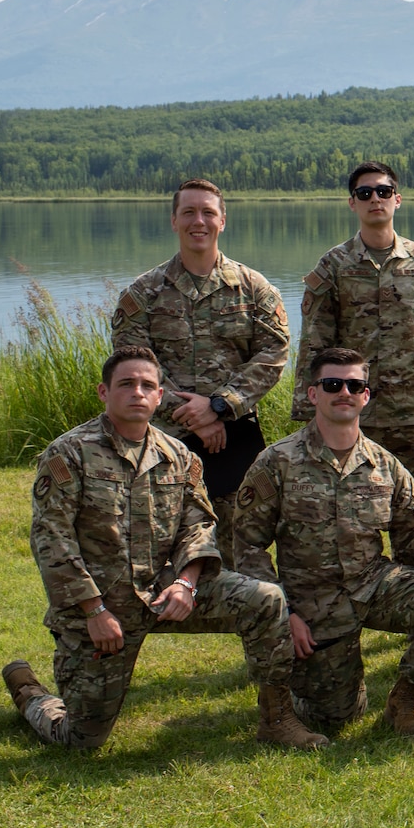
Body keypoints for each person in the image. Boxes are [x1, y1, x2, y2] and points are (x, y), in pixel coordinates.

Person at [0, 346, 323, 750]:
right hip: (103, 610)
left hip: (165, 595)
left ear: (158, 397)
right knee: (81, 740)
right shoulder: (69, 453)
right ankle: (30, 692)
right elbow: (52, 540)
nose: (137, 392)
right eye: (126, 384)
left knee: (265, 599)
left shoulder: (179, 455)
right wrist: (94, 611)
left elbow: (199, 525)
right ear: (104, 392)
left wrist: (187, 583)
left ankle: (277, 720)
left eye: (147, 385)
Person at [234, 347, 414, 740]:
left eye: (354, 385)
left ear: (366, 395)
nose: (343, 392)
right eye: (332, 384)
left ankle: (404, 699)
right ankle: (282, 703)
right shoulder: (276, 463)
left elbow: (413, 532)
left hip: (372, 583)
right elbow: (247, 549)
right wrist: (284, 612)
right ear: (313, 394)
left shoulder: (385, 464)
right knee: (336, 717)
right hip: (311, 599)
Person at [111, 179, 290, 565]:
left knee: (244, 547)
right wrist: (191, 412)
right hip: (161, 439)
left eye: (208, 212)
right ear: (173, 220)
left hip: (234, 436)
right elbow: (131, 364)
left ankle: (257, 611)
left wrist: (221, 406)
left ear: (222, 220)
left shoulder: (255, 288)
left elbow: (273, 353)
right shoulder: (143, 294)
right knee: (152, 545)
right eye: (189, 212)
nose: (199, 221)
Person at [291, 162, 414, 483]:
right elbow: (315, 342)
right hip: (351, 405)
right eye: (365, 192)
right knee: (353, 504)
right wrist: (309, 407)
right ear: (352, 202)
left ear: (397, 199)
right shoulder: (334, 264)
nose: (375, 199)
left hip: (410, 407)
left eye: (384, 192)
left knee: (412, 508)